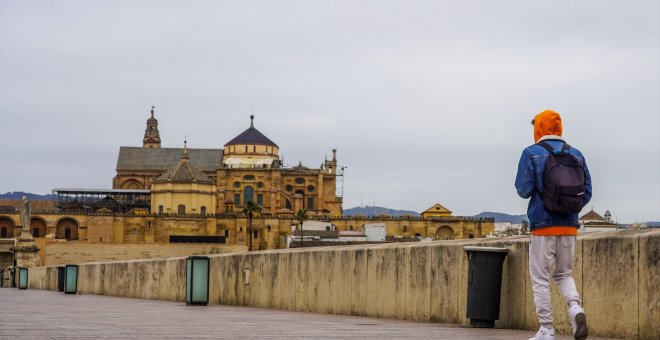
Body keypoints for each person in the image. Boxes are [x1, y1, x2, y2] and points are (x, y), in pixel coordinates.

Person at [515, 110, 592, 340]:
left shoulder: (531, 153)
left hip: (542, 226)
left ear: (538, 128)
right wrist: (566, 208)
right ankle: (575, 308)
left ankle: (547, 329)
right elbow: (585, 194)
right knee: (563, 274)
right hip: (569, 226)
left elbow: (523, 189)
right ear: (559, 128)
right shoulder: (576, 154)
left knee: (540, 278)